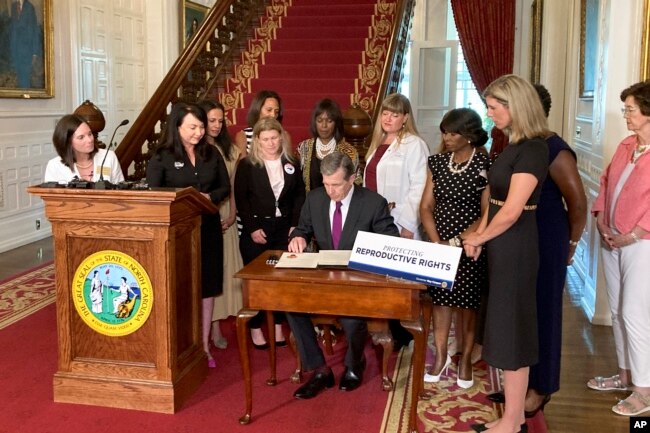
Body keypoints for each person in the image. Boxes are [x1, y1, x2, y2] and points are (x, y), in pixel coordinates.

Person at [486, 84, 588, 415]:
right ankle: (521, 384)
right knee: (520, 313)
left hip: (546, 237)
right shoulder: (518, 143)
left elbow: (577, 201)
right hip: (517, 235)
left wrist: (571, 244)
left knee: (543, 311)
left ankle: (541, 388)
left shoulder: (552, 148)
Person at [463, 74, 549, 433]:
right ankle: (511, 417)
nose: (490, 113)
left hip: (515, 247)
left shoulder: (534, 149)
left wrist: (481, 238)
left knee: (513, 331)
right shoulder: (511, 145)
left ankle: (513, 422)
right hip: (501, 244)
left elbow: (512, 211)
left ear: (516, 107)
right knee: (504, 328)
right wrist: (478, 234)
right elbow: (495, 203)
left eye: (495, 107)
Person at [285, 151, 399, 399]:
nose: (330, 191)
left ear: (353, 178)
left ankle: (354, 364)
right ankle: (320, 369)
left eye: (336, 185)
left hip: (358, 280)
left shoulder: (372, 203)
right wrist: (298, 238)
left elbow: (391, 241)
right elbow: (303, 228)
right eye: (326, 184)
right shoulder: (315, 199)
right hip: (325, 278)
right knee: (290, 305)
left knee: (350, 318)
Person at [146, 102, 230, 369]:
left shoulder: (211, 153)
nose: (199, 132)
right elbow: (154, 193)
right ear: (177, 127)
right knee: (180, 289)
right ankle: (180, 347)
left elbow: (223, 186)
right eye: (192, 127)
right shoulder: (161, 156)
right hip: (177, 234)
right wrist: (183, 198)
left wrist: (209, 197)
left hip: (208, 230)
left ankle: (204, 346)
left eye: (201, 127)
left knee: (207, 288)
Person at [588, 80, 650, 417]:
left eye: (630, 109)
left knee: (635, 313)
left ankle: (644, 391)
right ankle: (625, 375)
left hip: (643, 244)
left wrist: (638, 232)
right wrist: (599, 217)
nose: (625, 114)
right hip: (612, 238)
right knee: (616, 311)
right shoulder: (628, 144)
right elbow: (606, 182)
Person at [419, 108, 489, 389]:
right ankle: (441, 358)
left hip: (470, 244)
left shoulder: (485, 164)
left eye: (453, 133)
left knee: (467, 305)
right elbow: (425, 206)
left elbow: (486, 212)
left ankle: (466, 359)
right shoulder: (436, 162)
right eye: (444, 132)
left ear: (469, 135)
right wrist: (437, 244)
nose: (446, 137)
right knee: (440, 303)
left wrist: (461, 240)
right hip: (439, 242)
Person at [363, 92, 429, 348]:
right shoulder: (377, 142)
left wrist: (407, 224)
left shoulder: (413, 144)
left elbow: (419, 186)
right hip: (375, 220)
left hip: (398, 221)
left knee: (400, 282)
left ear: (405, 118)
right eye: (385, 113)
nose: (388, 118)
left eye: (395, 114)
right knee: (379, 279)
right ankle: (381, 329)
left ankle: (402, 334)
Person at [234, 117, 304, 349]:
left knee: (280, 280)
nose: (271, 143)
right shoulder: (247, 165)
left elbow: (298, 196)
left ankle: (277, 326)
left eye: (275, 138)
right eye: (266, 139)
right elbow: (241, 199)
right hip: (257, 230)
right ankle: (255, 327)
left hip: (283, 229)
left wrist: (295, 224)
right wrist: (252, 227)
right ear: (257, 141)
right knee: (256, 283)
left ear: (281, 137)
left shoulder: (291, 161)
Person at [199, 99, 244, 350]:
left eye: (220, 120)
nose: (216, 126)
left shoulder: (230, 149)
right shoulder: (196, 149)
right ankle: (213, 327)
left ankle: (225, 321)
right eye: (211, 121)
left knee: (228, 270)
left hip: (227, 212)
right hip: (206, 215)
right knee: (211, 274)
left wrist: (232, 214)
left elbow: (235, 185)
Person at [297, 98, 360, 192]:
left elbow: (355, 185)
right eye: (319, 120)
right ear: (314, 122)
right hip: (311, 204)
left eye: (329, 121)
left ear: (336, 123)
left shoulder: (349, 152)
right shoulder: (304, 147)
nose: (324, 125)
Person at [44, 114, 125, 184]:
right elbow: (50, 200)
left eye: (90, 134)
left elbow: (122, 192)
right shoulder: (54, 165)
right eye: (81, 137)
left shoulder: (109, 157)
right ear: (67, 141)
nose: (90, 140)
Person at [234, 90, 292, 156]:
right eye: (269, 110)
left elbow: (289, 163)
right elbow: (242, 165)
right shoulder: (243, 136)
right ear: (257, 110)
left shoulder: (284, 135)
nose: (273, 115)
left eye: (276, 111)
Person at [9, 0, 41, 88]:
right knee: (19, 75)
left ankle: (26, 93)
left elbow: (34, 29)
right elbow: (12, 28)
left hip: (27, 48)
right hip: (15, 47)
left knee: (25, 76)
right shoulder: (13, 6)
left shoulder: (30, 7)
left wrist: (34, 51)